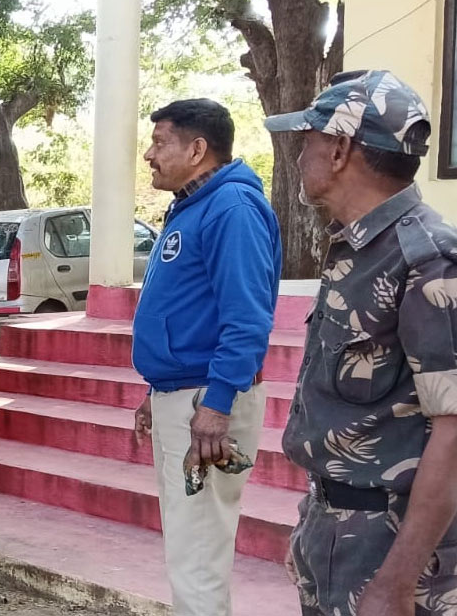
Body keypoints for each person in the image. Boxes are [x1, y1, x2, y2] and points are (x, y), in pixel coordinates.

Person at [270, 70, 457, 615]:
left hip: (395, 551)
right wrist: (313, 523)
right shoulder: (359, 249)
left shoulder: (428, 260)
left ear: (339, 150)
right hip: (337, 532)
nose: (299, 157)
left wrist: (397, 582)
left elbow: (453, 433)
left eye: (307, 141)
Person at [131, 99, 281, 615]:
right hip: (184, 395)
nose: (149, 154)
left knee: (197, 555)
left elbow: (247, 319)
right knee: (189, 545)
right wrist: (157, 391)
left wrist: (216, 405)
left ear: (197, 149)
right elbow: (192, 309)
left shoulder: (232, 208)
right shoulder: (195, 206)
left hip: (207, 404)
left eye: (160, 142)